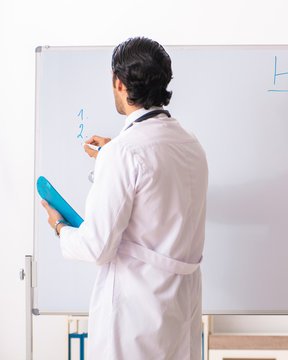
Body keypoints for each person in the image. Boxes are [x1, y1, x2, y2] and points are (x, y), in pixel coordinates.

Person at [41, 37, 208, 360]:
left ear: (118, 83)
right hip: (180, 309)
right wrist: (113, 153)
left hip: (135, 315)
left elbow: (96, 247)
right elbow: (157, 181)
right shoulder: (190, 144)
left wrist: (59, 226)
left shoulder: (123, 153)